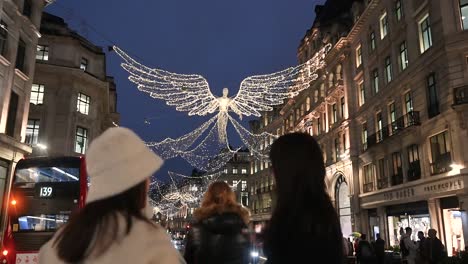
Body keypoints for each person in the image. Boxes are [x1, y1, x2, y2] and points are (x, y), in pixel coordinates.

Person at [39, 127, 184, 263]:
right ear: (136, 183)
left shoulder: (59, 242)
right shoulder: (153, 243)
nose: (149, 182)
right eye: (146, 176)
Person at [263, 133, 344, 263]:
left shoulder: (295, 219)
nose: (272, 173)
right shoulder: (323, 212)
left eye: (275, 166)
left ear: (288, 170)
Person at [184, 181, 250, 264]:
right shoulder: (242, 228)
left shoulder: (196, 229)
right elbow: (247, 259)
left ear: (207, 198)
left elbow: (188, 260)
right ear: (231, 198)